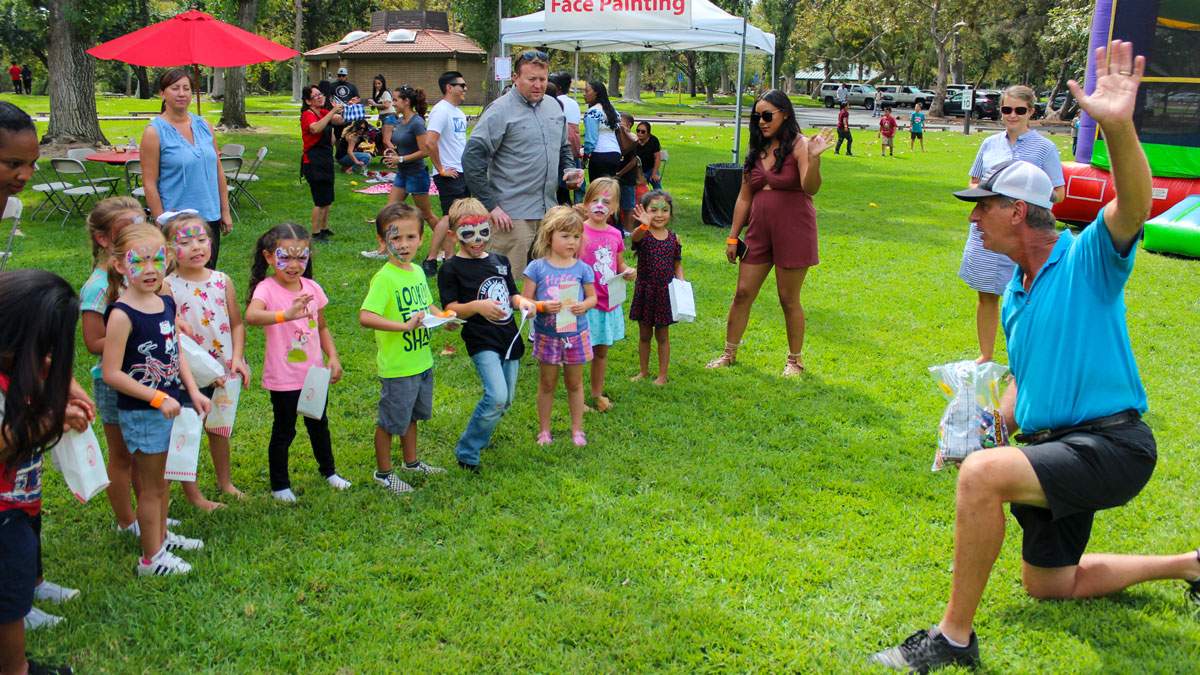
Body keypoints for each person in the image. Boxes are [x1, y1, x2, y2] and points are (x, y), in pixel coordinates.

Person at [871, 41, 1200, 672]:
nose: (974, 223)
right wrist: (992, 420)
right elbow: (1025, 381)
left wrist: (1118, 125)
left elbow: (1134, 203)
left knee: (983, 477)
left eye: (982, 211)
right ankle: (1190, 564)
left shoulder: (1086, 260)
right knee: (1049, 583)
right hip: (1056, 446)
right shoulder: (1016, 295)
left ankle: (952, 640)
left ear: (1016, 211)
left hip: (1112, 447)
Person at [101, 223, 209, 577]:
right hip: (144, 412)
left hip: (171, 404)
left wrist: (192, 392)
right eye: (139, 261)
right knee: (151, 487)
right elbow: (111, 373)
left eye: (157, 259)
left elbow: (176, 350)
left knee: (162, 482)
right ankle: (151, 559)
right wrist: (157, 396)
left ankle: (160, 537)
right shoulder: (121, 314)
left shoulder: (164, 301)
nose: (150, 269)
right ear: (119, 265)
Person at [0, 269, 91, 675]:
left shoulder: (17, 365)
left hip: (18, 500)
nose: (52, 356)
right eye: (48, 345)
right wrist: (50, 422)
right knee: (9, 600)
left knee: (15, 587)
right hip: (3, 514)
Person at [707, 91, 834, 376]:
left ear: (785, 114)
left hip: (794, 230)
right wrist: (732, 235)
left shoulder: (801, 145)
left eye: (767, 115)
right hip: (759, 232)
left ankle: (795, 361)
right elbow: (743, 197)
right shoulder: (757, 151)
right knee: (742, 293)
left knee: (788, 298)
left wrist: (814, 160)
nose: (761, 122)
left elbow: (810, 187)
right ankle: (728, 353)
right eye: (757, 117)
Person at [958, 84, 1065, 363]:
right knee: (986, 295)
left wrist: (1025, 196)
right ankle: (987, 355)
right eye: (1007, 109)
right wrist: (987, 189)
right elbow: (973, 180)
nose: (1012, 115)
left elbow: (1059, 193)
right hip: (989, 229)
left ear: (1031, 111)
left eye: (1019, 110)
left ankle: (1025, 357)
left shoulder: (1045, 148)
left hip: (1023, 234)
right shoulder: (989, 144)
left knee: (1029, 295)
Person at [245, 223, 351, 503]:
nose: (294, 265)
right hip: (284, 377)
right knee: (284, 429)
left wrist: (334, 357)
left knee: (319, 424)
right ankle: (280, 485)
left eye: (301, 257)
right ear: (269, 257)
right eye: (285, 257)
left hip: (314, 373)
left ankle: (329, 472)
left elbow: (322, 327)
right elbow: (252, 317)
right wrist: (286, 314)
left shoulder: (313, 288)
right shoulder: (266, 289)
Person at [437, 198, 536, 472]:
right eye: (468, 233)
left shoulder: (500, 261)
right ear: (453, 234)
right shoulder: (451, 268)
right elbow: (452, 309)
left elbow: (512, 294)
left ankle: (484, 430)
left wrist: (522, 303)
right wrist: (477, 306)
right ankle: (468, 450)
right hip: (482, 340)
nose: (477, 239)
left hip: (508, 336)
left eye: (483, 231)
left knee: (506, 400)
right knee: (496, 397)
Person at [463, 50, 580, 277]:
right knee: (509, 285)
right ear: (516, 78)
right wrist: (491, 206)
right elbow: (471, 158)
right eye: (531, 79)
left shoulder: (554, 106)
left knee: (546, 282)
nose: (538, 85)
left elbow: (564, 146)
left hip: (548, 213)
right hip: (511, 216)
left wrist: (568, 171)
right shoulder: (499, 110)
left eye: (543, 79)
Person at [359, 204, 449, 495]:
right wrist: (403, 327)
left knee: (412, 416)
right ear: (382, 243)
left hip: (421, 360)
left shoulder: (418, 272)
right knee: (390, 422)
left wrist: (444, 317)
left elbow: (427, 305)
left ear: (422, 239)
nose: (404, 244)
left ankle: (412, 463)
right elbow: (366, 316)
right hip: (398, 366)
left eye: (410, 237)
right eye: (395, 239)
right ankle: (384, 473)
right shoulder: (385, 278)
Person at [163, 212, 250, 502]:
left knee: (219, 428)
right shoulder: (167, 286)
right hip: (187, 373)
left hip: (223, 369)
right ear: (169, 250)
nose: (197, 247)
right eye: (185, 242)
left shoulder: (222, 281)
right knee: (188, 430)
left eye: (202, 239)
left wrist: (238, 357)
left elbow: (237, 323)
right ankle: (193, 492)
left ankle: (225, 483)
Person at [80, 197, 147, 538]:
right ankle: (127, 522)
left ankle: (144, 513)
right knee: (122, 456)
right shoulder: (97, 287)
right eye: (127, 229)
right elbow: (93, 342)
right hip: (112, 384)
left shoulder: (136, 276)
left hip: (142, 377)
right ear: (104, 240)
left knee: (141, 452)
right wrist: (133, 331)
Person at [139, 68, 233, 266]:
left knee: (206, 277)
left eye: (186, 88)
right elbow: (149, 182)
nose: (181, 94)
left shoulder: (204, 125)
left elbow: (218, 170)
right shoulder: (154, 132)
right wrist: (160, 220)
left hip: (209, 217)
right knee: (179, 282)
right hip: (177, 221)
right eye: (175, 88)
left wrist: (225, 210)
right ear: (162, 93)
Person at [522, 206, 597, 447]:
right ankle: (544, 430)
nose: (572, 242)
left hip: (575, 334)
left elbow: (592, 298)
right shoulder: (537, 268)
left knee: (575, 383)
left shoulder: (582, 268)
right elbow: (525, 302)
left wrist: (583, 306)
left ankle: (577, 430)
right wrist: (542, 306)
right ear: (549, 236)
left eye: (576, 236)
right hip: (547, 335)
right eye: (565, 236)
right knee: (547, 383)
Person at [578, 178, 634, 412]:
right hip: (584, 304)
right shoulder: (578, 231)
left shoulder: (615, 234)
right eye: (595, 200)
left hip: (607, 303)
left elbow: (618, 263)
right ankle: (577, 400)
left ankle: (597, 394)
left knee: (601, 351)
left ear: (614, 207)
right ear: (586, 203)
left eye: (606, 201)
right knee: (580, 355)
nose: (600, 205)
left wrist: (627, 271)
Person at [375, 86, 438, 255]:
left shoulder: (417, 123)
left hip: (416, 175)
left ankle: (445, 247)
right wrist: (395, 154)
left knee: (426, 215)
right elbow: (403, 146)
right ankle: (384, 250)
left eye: (395, 100)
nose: (392, 103)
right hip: (402, 173)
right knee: (389, 212)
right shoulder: (401, 121)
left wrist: (401, 159)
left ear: (406, 101)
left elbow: (425, 151)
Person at [420, 71, 471, 276]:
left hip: (461, 171)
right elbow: (429, 142)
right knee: (450, 217)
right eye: (461, 85)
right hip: (449, 173)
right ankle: (431, 259)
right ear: (449, 88)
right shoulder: (441, 111)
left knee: (457, 218)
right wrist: (441, 169)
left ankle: (449, 259)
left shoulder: (457, 111)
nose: (465, 88)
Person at [299, 83, 343, 241]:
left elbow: (339, 120)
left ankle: (324, 228)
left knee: (328, 197)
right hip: (313, 160)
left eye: (320, 94)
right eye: (315, 96)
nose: (319, 97)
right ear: (308, 101)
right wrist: (332, 112)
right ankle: (316, 233)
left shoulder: (323, 111)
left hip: (325, 158)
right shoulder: (308, 114)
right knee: (320, 199)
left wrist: (341, 108)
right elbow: (315, 129)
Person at [549, 71, 583, 204]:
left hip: (558, 151)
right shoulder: (573, 103)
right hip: (571, 149)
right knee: (565, 190)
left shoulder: (555, 103)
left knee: (558, 189)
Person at [582, 80, 623, 181]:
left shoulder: (592, 112)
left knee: (598, 189)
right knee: (610, 189)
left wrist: (585, 155)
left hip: (599, 155)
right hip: (615, 153)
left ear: (596, 93)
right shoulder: (613, 111)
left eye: (587, 91)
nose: (584, 94)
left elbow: (591, 140)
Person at [614, 113, 640, 232]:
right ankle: (620, 227)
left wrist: (620, 173)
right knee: (617, 204)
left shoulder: (632, 139)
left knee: (628, 206)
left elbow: (634, 161)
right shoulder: (617, 136)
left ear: (629, 124)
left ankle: (628, 230)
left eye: (621, 121)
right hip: (616, 177)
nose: (618, 123)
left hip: (628, 177)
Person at [634, 120, 663, 190]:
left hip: (651, 169)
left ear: (648, 133)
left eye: (643, 132)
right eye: (638, 130)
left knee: (657, 186)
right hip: (638, 170)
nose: (640, 133)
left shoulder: (653, 141)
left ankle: (660, 199)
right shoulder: (634, 141)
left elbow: (657, 158)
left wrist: (654, 173)